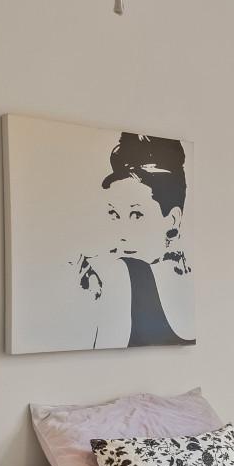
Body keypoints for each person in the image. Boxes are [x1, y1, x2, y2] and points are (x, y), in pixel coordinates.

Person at [75, 132, 194, 346]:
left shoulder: (122, 274)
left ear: (172, 220)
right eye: (114, 214)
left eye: (136, 215)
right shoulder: (189, 279)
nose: (122, 234)